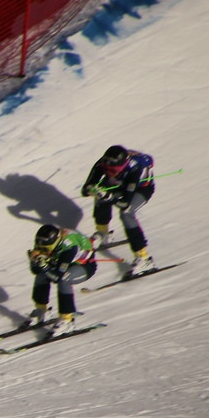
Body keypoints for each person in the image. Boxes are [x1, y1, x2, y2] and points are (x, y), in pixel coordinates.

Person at [80, 144, 156, 276]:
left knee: (127, 213)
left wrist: (108, 196)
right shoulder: (102, 164)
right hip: (120, 185)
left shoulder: (135, 168)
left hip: (141, 188)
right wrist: (94, 190)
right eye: (107, 170)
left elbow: (125, 203)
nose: (110, 172)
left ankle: (144, 258)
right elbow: (86, 188)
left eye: (113, 170)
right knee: (100, 193)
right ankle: (103, 233)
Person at [23, 224, 97, 336]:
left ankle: (67, 320)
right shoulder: (43, 244)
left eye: (45, 249)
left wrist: (44, 266)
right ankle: (41, 310)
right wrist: (34, 262)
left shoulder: (69, 248)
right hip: (62, 263)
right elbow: (36, 271)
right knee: (42, 274)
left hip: (84, 265)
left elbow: (58, 277)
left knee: (64, 279)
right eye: (39, 247)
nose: (42, 250)